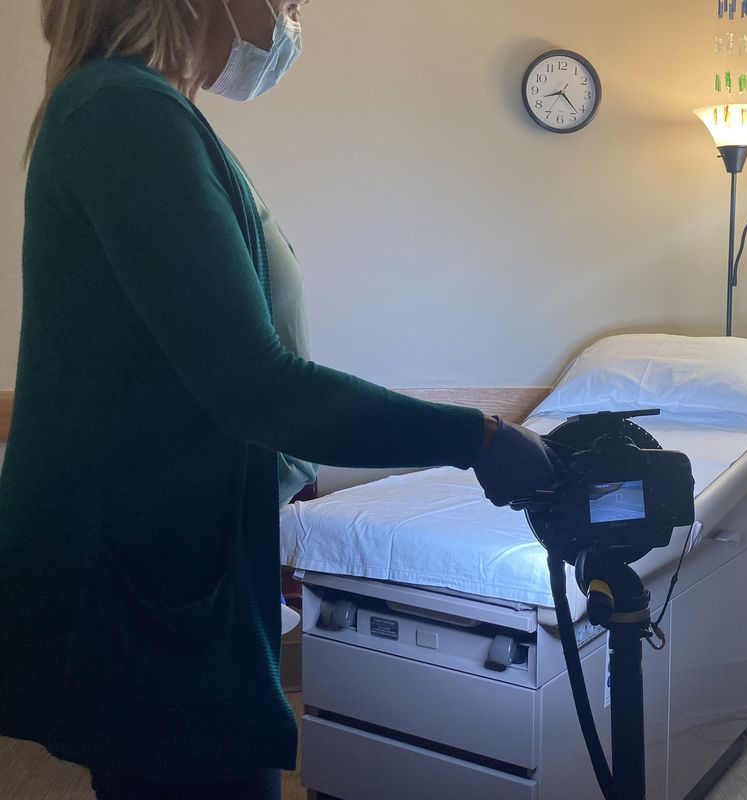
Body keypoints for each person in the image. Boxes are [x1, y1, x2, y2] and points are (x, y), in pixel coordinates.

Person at [0, 1, 558, 797]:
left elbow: (198, 379)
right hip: (146, 576)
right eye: (290, 2)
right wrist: (479, 439)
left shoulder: (148, 114)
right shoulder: (122, 112)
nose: (295, 15)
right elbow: (255, 386)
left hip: (180, 550)